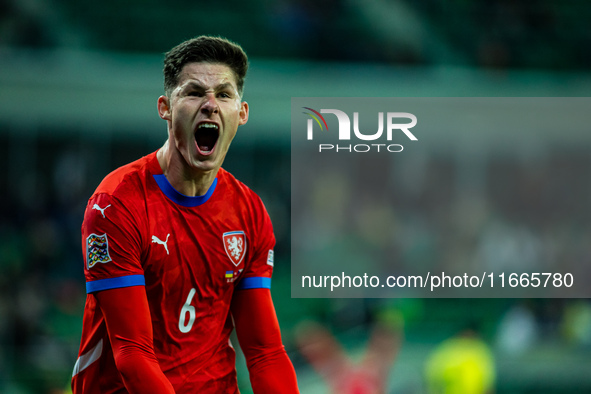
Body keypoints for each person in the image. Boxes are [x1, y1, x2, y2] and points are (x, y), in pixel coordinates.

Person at [71, 35, 300, 393]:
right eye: (194, 92)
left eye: (223, 94)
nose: (209, 104)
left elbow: (264, 352)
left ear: (241, 114)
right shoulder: (116, 204)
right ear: (165, 106)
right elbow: (133, 354)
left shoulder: (249, 212)